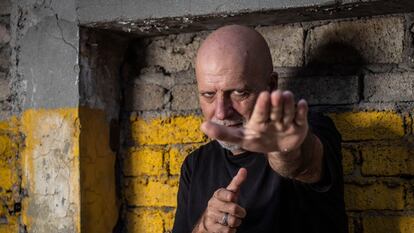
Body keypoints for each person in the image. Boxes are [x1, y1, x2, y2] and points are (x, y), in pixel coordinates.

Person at [172, 25, 347, 233]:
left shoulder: (308, 129)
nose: (221, 113)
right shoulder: (195, 164)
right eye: (208, 95)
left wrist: (283, 151)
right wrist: (204, 228)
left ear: (271, 86)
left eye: (239, 92)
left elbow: (302, 162)